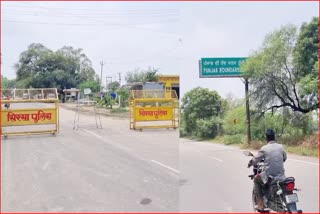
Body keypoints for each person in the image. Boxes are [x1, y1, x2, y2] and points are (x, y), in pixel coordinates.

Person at [248, 128, 287, 212]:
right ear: (274, 137)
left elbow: (255, 160)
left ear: (266, 138)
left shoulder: (264, 149)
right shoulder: (280, 147)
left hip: (271, 178)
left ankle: (261, 204)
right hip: (282, 177)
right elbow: (284, 157)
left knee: (256, 179)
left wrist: (250, 163)